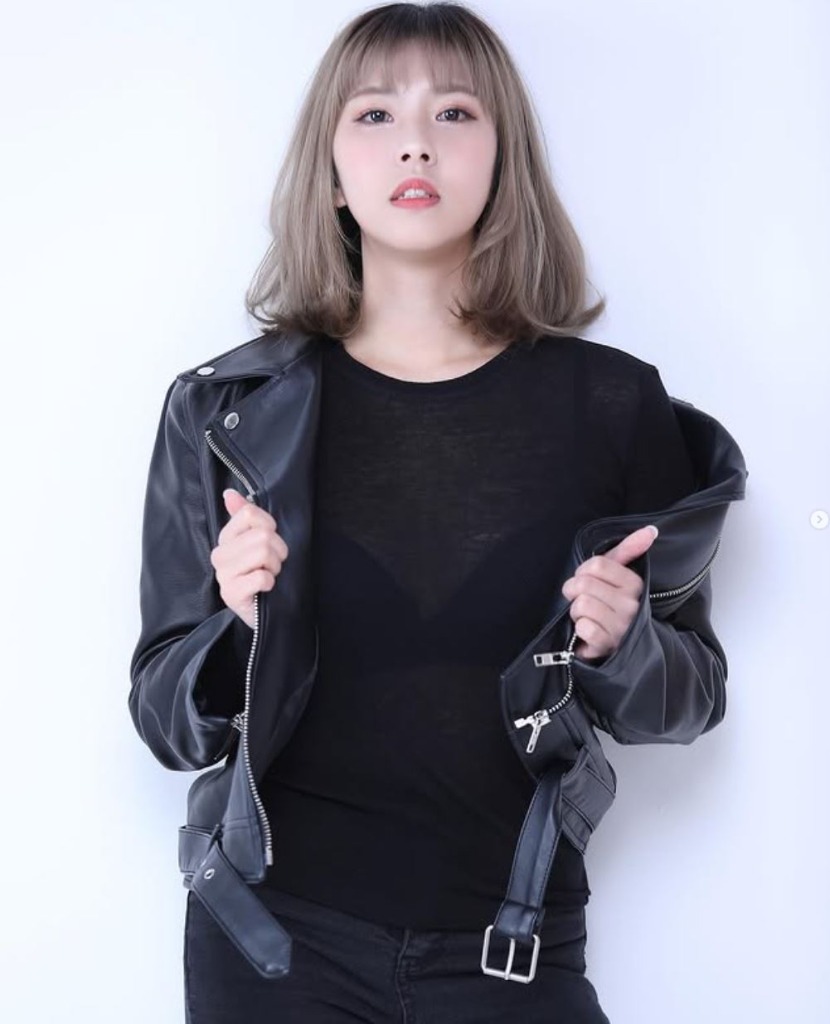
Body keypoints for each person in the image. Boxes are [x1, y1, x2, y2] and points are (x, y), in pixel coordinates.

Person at [128, 3, 747, 1022]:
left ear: (502, 159)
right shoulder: (225, 412)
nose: (415, 142)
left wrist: (622, 642)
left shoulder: (612, 402)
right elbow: (164, 720)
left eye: (454, 112)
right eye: (374, 115)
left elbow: (690, 700)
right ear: (331, 172)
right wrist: (238, 629)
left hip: (514, 948)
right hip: (271, 945)